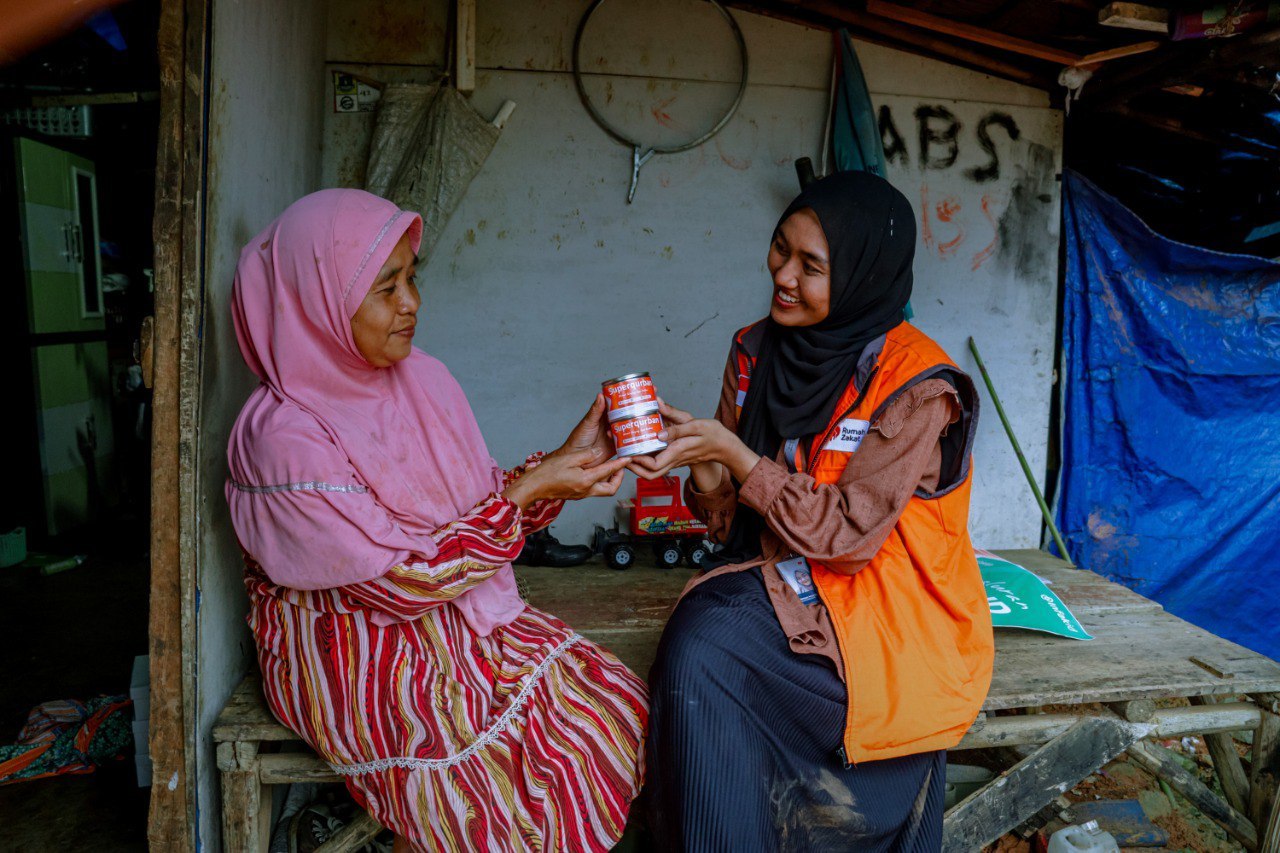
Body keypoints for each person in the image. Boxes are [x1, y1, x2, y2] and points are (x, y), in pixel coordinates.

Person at [225, 189, 647, 852]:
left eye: (411, 278)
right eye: (385, 287)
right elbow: (403, 580)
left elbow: (475, 508)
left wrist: (565, 464)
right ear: (316, 305)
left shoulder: (420, 380)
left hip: (441, 602)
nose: (412, 302)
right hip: (348, 637)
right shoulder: (282, 441)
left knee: (612, 705)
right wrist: (535, 484)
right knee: (493, 780)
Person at [632, 171, 994, 850]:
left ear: (863, 275)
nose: (784, 276)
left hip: (884, 610)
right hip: (792, 583)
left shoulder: (916, 386)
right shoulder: (755, 349)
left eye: (812, 266)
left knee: (705, 648)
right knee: (698, 646)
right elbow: (731, 522)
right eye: (780, 249)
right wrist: (700, 461)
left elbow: (851, 536)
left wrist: (738, 460)